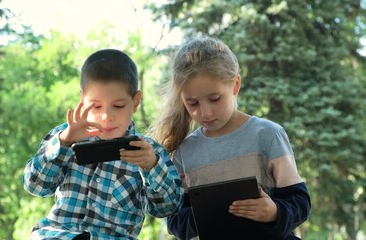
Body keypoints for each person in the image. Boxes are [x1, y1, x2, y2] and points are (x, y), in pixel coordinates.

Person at [148, 35, 311, 239]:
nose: (205, 112)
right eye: (193, 103)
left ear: (235, 85)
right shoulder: (185, 152)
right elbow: (175, 222)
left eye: (214, 99)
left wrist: (274, 212)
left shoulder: (267, 135)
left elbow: (300, 202)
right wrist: (207, 215)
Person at [23, 49, 184, 240]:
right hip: (60, 235)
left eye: (118, 106)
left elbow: (167, 207)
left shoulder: (150, 151)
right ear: (82, 100)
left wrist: (151, 166)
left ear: (136, 101)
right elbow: (35, 186)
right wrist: (64, 142)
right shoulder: (65, 136)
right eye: (96, 106)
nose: (107, 116)